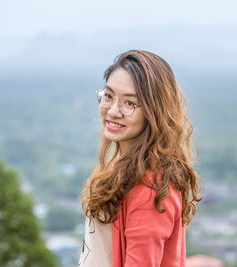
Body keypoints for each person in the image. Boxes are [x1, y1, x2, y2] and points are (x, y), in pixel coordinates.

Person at [78, 50, 202, 267]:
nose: (113, 111)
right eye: (108, 96)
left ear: (154, 112)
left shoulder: (150, 190)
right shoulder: (125, 169)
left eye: (129, 103)